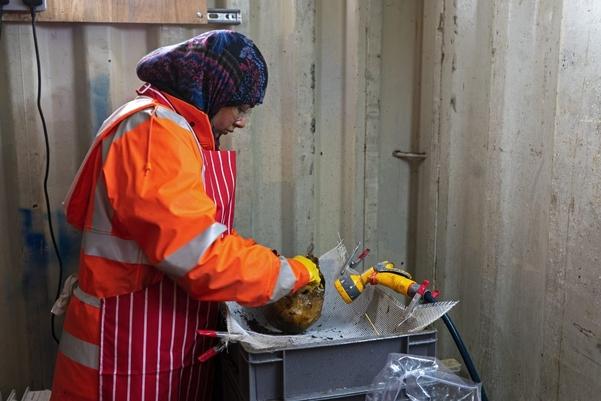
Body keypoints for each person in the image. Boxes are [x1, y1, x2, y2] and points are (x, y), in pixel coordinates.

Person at [50, 30, 321, 401]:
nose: (242, 122)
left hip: (154, 343)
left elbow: (197, 231)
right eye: (240, 108)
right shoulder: (153, 132)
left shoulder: (174, 129)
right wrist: (293, 272)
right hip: (123, 355)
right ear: (213, 90)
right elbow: (201, 256)